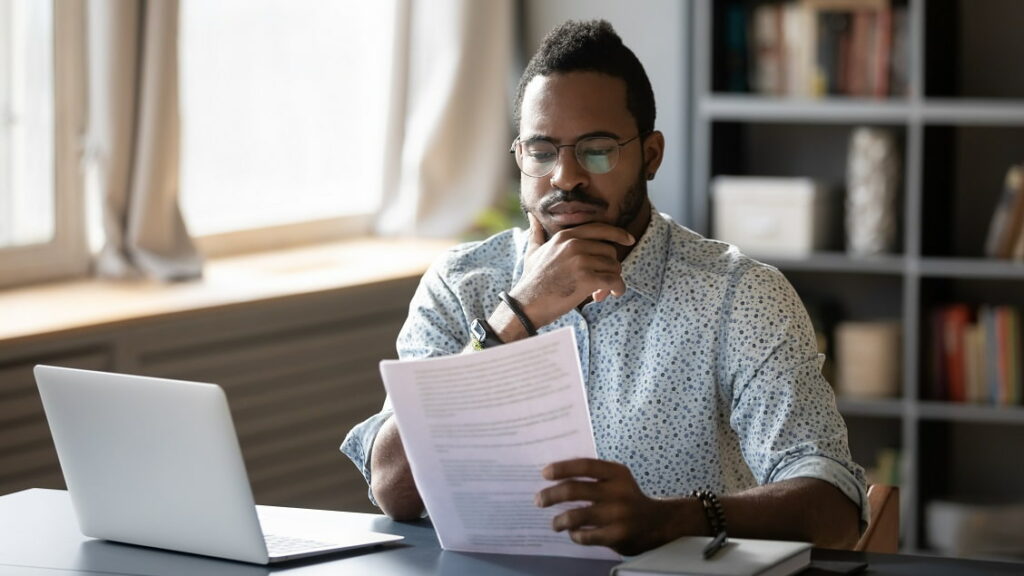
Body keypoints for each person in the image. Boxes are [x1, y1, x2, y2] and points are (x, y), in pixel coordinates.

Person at [342, 19, 867, 556]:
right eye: (542, 151)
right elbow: (393, 489)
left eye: (597, 149)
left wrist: (669, 520)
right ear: (520, 158)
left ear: (651, 155)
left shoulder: (740, 296)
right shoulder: (460, 285)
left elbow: (834, 507)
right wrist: (515, 316)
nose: (565, 176)